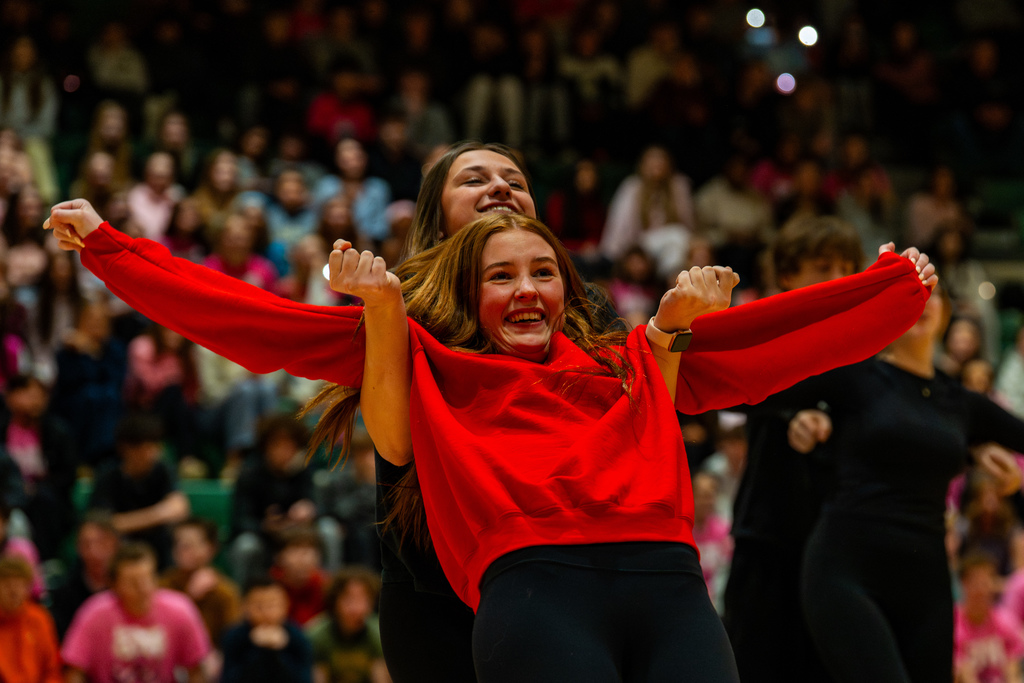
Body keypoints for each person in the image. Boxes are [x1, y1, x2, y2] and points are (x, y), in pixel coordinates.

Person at [48, 188, 934, 682]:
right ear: (468, 293)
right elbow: (252, 320)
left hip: (671, 588)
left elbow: (774, 340)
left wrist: (893, 291)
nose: (527, 290)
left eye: (544, 271)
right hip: (533, 594)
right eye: (501, 275)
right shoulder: (422, 356)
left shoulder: (631, 352)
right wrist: (112, 249)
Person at [785, 283, 1024, 683]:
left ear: (946, 313)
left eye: (931, 293)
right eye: (908, 292)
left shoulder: (959, 401)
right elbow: (771, 391)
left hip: (926, 580)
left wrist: (979, 455)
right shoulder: (857, 377)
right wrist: (802, 419)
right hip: (846, 567)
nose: (921, 300)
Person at [62, 542, 211, 683]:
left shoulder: (180, 609)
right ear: (114, 586)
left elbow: (196, 669)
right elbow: (74, 670)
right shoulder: (94, 613)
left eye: (148, 578)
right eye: (133, 583)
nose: (143, 588)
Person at [88, 414, 191, 568]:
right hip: (122, 545)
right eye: (144, 448)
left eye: (155, 447)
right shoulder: (108, 476)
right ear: (125, 449)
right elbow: (105, 524)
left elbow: (179, 508)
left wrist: (127, 521)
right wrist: (160, 513)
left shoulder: (163, 470)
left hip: (159, 546)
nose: (151, 454)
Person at [161, 517, 241, 649]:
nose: (181, 548)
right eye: (178, 542)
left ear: (211, 548)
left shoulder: (225, 591)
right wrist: (188, 598)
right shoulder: (163, 585)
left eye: (190, 544)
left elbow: (233, 642)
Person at [221, 575, 314, 683]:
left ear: (286, 606)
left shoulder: (297, 637)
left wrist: (275, 652)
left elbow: (304, 679)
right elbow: (229, 678)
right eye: (259, 606)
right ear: (244, 607)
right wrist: (261, 650)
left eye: (272, 605)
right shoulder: (234, 637)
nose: (266, 613)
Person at [306, 567, 388, 683]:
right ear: (335, 600)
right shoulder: (316, 635)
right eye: (349, 599)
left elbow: (381, 678)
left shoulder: (380, 633)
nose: (357, 608)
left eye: (364, 600)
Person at [955, 553, 1024, 683]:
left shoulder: (1005, 620)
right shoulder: (953, 623)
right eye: (975, 582)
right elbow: (963, 675)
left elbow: (1013, 670)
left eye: (986, 582)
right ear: (963, 583)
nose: (982, 589)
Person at [0, 556, 61, 683]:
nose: (13, 591)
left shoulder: (39, 618)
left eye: (19, 585)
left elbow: (52, 670)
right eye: (6, 584)